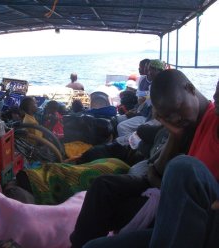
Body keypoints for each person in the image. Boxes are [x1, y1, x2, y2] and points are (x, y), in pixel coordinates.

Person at [70, 69, 216, 248]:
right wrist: (174, 136)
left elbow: (177, 179)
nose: (176, 118)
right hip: (166, 193)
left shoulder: (213, 119)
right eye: (168, 116)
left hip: (191, 213)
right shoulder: (186, 125)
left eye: (178, 109)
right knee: (103, 187)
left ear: (190, 89)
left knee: (181, 167)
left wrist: (157, 178)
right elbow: (156, 173)